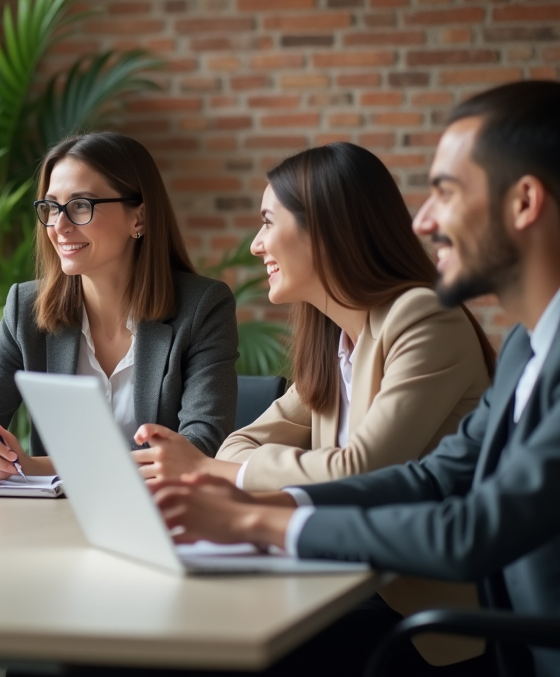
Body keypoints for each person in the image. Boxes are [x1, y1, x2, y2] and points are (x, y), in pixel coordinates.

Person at [155, 64, 560, 677]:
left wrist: (255, 522)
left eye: (446, 192)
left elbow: (476, 529)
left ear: (525, 202)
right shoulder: (529, 344)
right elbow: (434, 477)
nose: (424, 221)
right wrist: (272, 501)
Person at [133, 142, 495, 668]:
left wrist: (212, 470)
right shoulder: (333, 338)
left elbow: (363, 469)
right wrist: (236, 466)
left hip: (415, 613)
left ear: (324, 230)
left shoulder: (424, 317)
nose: (256, 245)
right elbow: (240, 442)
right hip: (331, 578)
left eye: (267, 222)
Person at [0, 132, 238, 482]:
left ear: (139, 218)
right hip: (53, 512)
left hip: (162, 510)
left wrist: (39, 466)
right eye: (52, 207)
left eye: (81, 205)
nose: (59, 226)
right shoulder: (26, 308)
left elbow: (199, 447)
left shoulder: (202, 307)